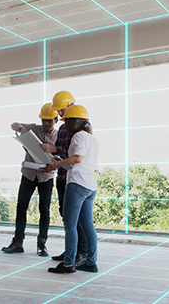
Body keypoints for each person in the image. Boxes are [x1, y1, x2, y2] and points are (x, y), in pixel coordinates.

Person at [45, 105, 99, 274]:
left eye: (67, 121)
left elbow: (78, 158)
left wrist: (58, 163)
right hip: (90, 185)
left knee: (70, 224)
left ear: (75, 122)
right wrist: (60, 162)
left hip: (77, 184)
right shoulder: (92, 139)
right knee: (87, 226)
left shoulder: (78, 136)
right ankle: (91, 263)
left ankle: (68, 263)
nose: (65, 125)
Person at [39, 91, 90, 264]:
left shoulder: (83, 127)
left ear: (70, 105)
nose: (59, 113)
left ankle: (81, 253)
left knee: (79, 219)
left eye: (61, 109)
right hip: (63, 176)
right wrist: (53, 163)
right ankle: (71, 251)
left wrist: (53, 150)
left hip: (77, 179)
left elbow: (77, 154)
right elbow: (63, 152)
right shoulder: (63, 128)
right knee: (66, 216)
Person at [2, 103, 58, 256]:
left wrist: (52, 150)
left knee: (44, 210)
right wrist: (22, 130)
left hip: (46, 176)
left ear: (56, 120)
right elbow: (14, 124)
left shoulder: (58, 135)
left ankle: (42, 244)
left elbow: (63, 152)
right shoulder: (34, 128)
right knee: (21, 207)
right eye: (44, 120)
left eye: (49, 121)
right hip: (28, 174)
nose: (46, 123)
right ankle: (17, 242)